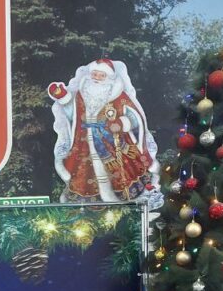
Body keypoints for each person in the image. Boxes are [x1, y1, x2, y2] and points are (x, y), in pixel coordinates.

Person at [49, 58, 162, 206]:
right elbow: (73, 115)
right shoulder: (81, 95)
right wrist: (63, 98)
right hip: (84, 144)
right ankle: (93, 204)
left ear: (109, 78)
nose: (96, 78)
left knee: (119, 172)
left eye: (101, 75)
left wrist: (122, 123)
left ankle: (123, 200)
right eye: (94, 74)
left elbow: (135, 116)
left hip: (113, 144)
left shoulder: (119, 96)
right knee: (86, 174)